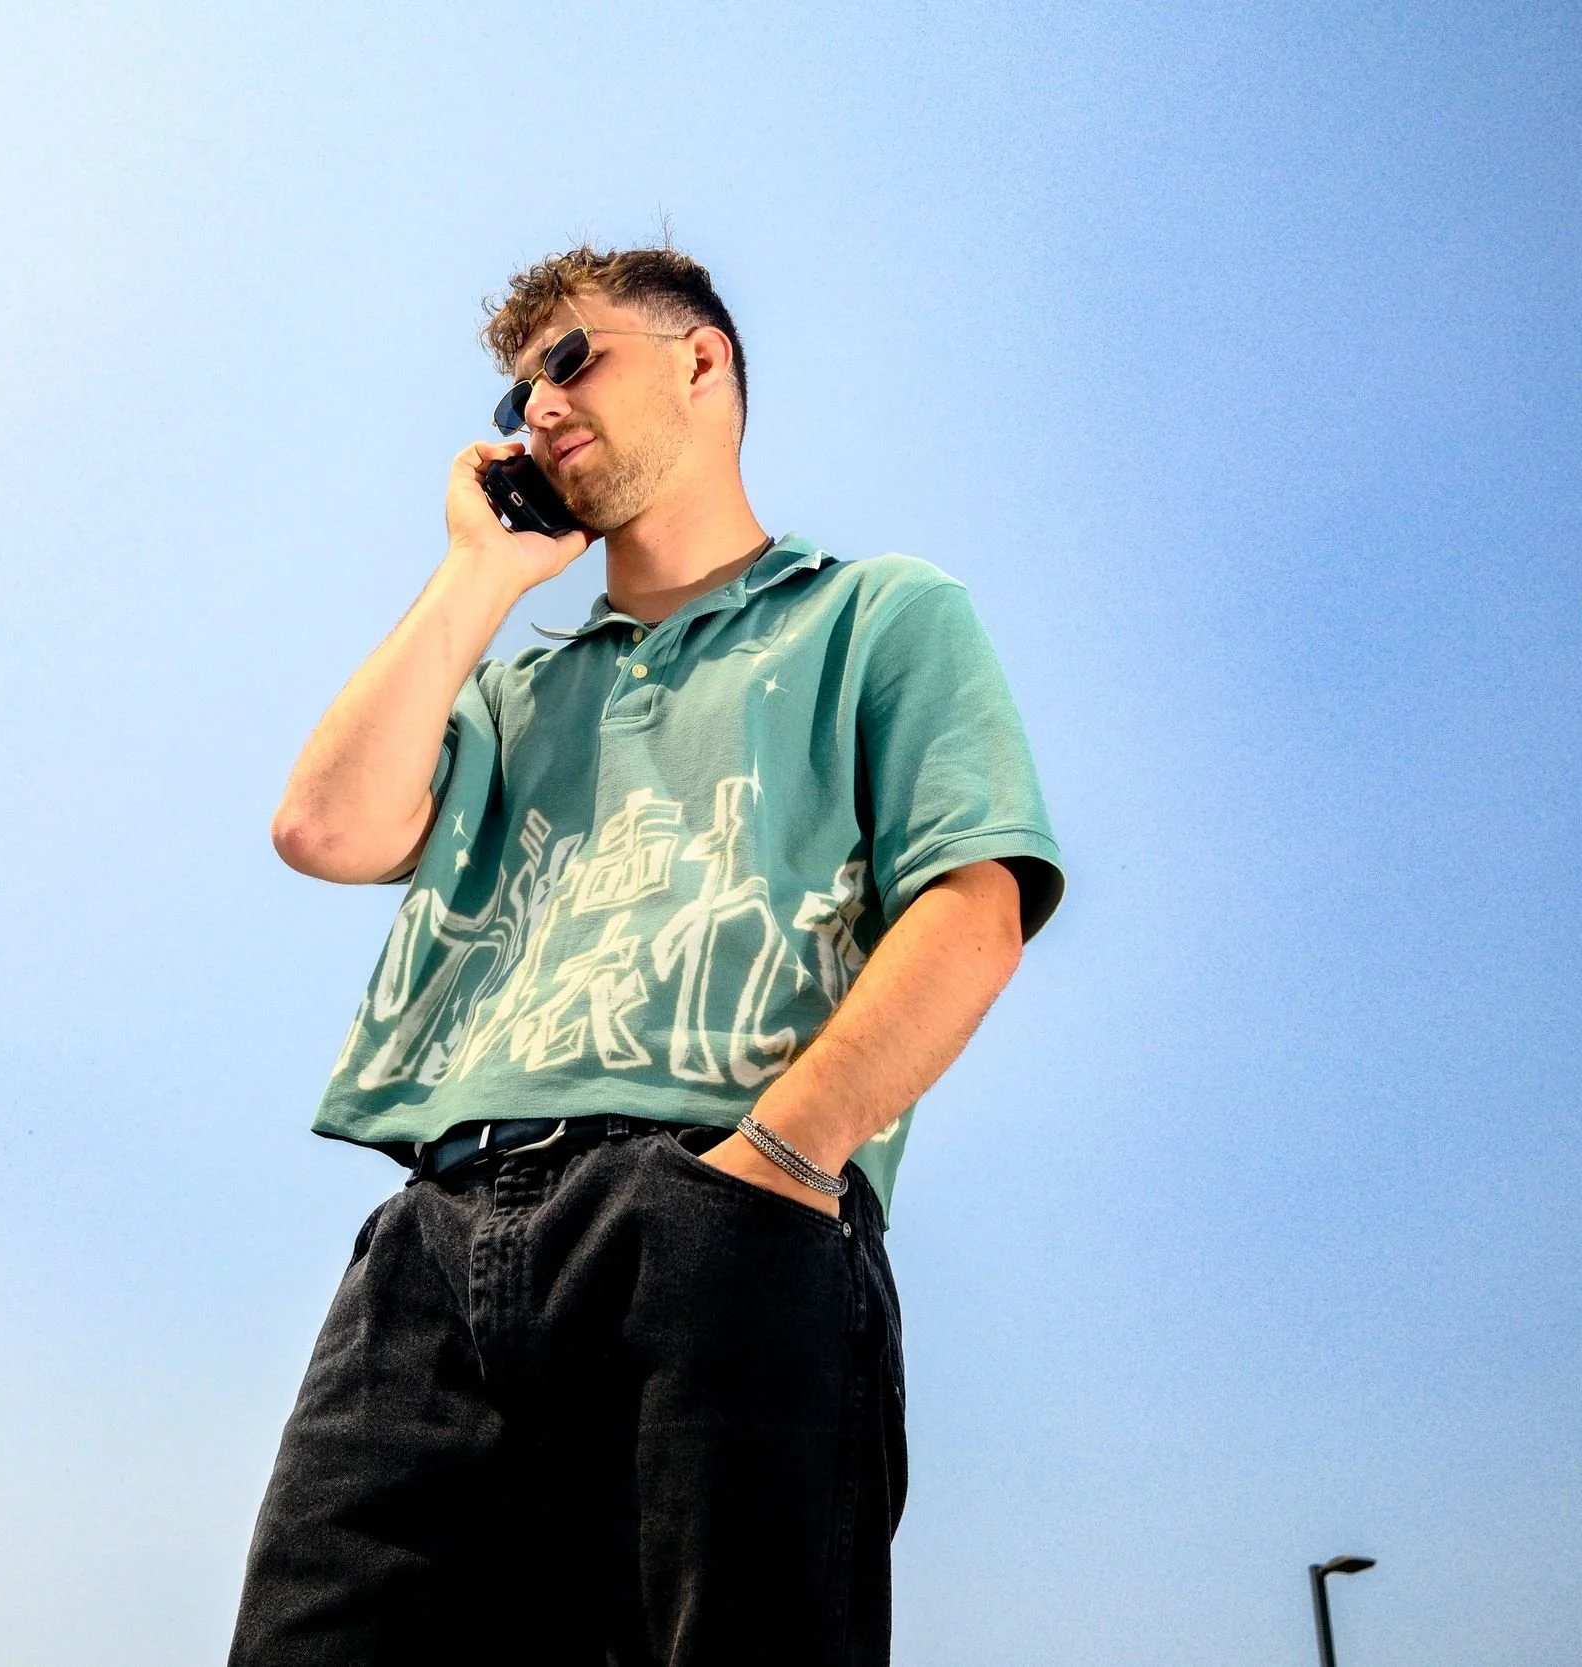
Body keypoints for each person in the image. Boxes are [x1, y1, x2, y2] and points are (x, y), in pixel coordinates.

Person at [232, 244, 1063, 1667]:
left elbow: (974, 905)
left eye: (574, 358)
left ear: (702, 364)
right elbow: (322, 826)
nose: (536, 406)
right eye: (515, 386)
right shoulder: (509, 693)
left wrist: (778, 1164)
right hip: (436, 1249)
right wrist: (477, 573)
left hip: (713, 1214)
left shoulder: (874, 614)